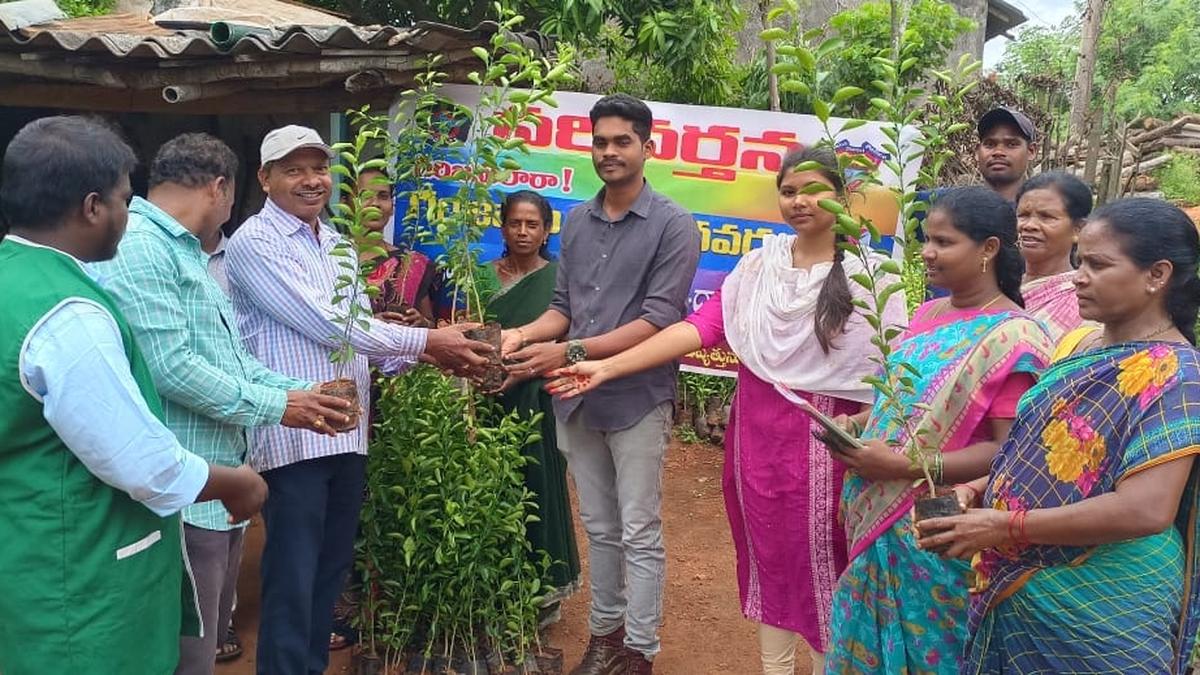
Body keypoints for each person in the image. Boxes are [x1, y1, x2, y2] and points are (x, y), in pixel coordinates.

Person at [548, 146, 907, 674]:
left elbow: (893, 375)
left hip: (827, 444)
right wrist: (607, 367)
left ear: (843, 196)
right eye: (789, 191)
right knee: (768, 557)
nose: (799, 202)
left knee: (825, 560)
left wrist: (866, 429)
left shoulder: (870, 279)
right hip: (756, 441)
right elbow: (699, 328)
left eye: (814, 191)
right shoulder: (760, 266)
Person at [0, 115, 269, 674]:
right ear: (92, 207)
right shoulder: (70, 315)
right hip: (80, 577)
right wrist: (236, 482)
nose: (131, 214)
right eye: (125, 199)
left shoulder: (13, 278)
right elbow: (143, 464)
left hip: (27, 552)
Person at [224, 124, 494, 675]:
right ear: (265, 178)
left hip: (348, 432)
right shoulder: (255, 242)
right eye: (294, 170)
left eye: (318, 168)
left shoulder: (339, 245)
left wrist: (430, 351)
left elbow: (360, 340)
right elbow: (328, 324)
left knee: (329, 573)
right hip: (294, 435)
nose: (310, 180)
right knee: (293, 576)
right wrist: (428, 342)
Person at [92, 132, 355, 675]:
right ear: (221, 188)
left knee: (205, 641)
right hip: (181, 492)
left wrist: (295, 394)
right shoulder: (142, 246)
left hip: (218, 487)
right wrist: (277, 406)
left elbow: (231, 359)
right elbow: (171, 368)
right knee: (185, 653)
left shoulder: (192, 253)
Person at [916, 198, 1200, 674]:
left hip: (1101, 601)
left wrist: (1004, 527)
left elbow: (1146, 509)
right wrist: (977, 489)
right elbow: (1042, 451)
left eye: (1098, 265)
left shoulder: (1177, 374)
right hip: (1022, 584)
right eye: (1080, 262)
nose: (1078, 278)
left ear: (1157, 275)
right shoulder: (1080, 346)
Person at [500, 94, 701, 674]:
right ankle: (604, 638)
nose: (609, 152)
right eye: (600, 142)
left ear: (647, 147)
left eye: (621, 141)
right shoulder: (579, 222)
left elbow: (658, 320)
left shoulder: (674, 225)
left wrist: (568, 351)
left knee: (638, 528)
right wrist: (520, 335)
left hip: (636, 398)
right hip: (575, 398)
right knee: (599, 527)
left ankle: (638, 651)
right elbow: (562, 308)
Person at [824, 186, 1054, 674]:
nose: (927, 252)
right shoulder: (928, 314)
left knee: (934, 655)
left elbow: (1008, 449)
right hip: (875, 510)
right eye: (926, 239)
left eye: (944, 242)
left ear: (989, 248)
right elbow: (898, 402)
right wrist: (855, 424)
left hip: (938, 527)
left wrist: (905, 466)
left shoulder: (1014, 337)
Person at [480, 190, 581, 624]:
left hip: (538, 398)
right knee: (488, 487)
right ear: (502, 227)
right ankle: (493, 589)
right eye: (515, 223)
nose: (523, 232)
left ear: (546, 231)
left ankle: (543, 592)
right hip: (485, 398)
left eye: (532, 224)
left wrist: (527, 370)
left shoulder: (559, 280)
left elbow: (569, 341)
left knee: (537, 485)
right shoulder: (481, 277)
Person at [1016, 171, 1094, 340]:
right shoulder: (1001, 286)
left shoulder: (1082, 299)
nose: (1029, 225)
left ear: (1078, 230)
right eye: (1023, 215)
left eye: (1046, 217)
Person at [357, 166, 437, 327]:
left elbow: (431, 325)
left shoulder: (411, 264)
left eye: (383, 196)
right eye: (365, 196)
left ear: (392, 207)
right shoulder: (332, 257)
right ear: (346, 203)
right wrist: (367, 324)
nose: (375, 204)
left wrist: (421, 322)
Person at [976, 107, 1038, 203]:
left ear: (1031, 151)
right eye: (990, 144)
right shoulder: (956, 207)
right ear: (977, 152)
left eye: (1012, 144)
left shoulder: (1043, 209)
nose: (998, 152)